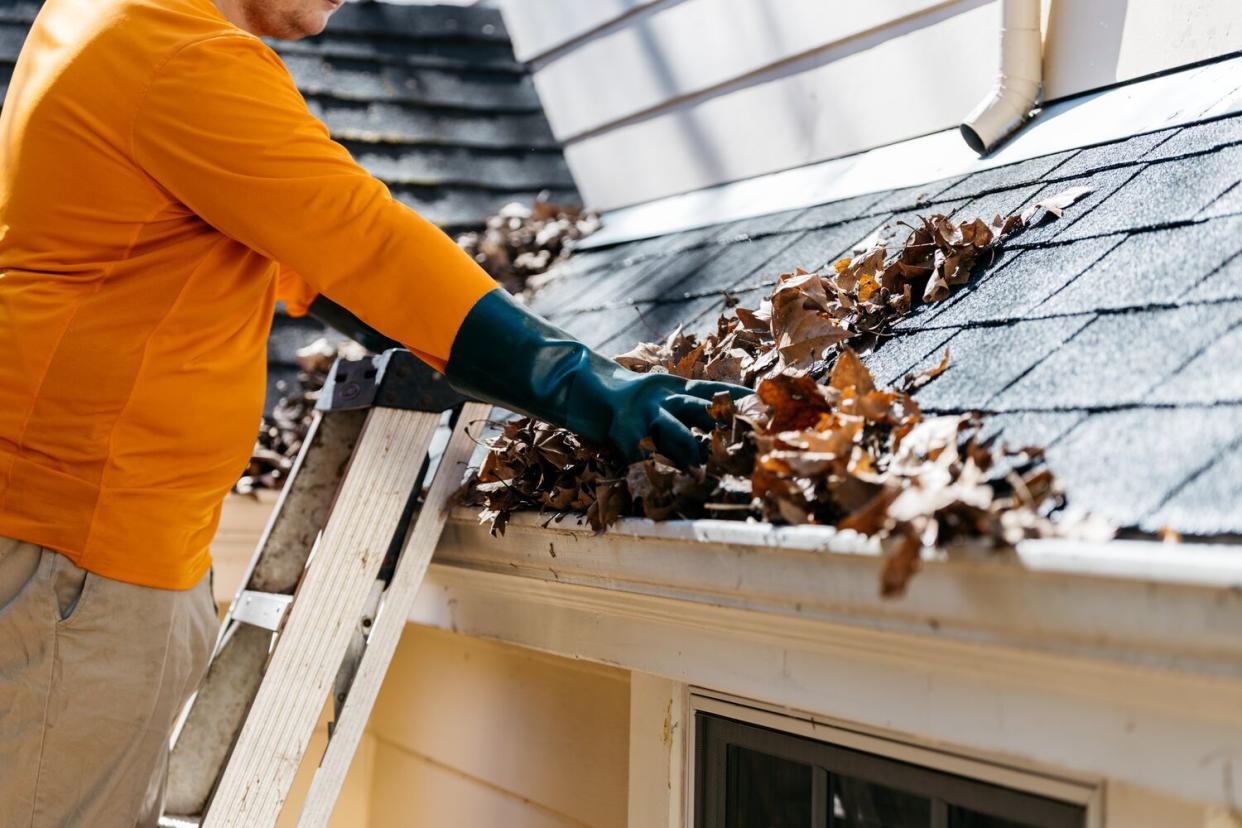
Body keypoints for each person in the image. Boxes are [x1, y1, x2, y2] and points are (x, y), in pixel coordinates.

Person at [0, 0, 743, 824]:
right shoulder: (177, 53)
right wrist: (581, 382)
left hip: (97, 559)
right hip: (73, 568)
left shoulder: (114, 20)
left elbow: (314, 258)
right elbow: (361, 243)